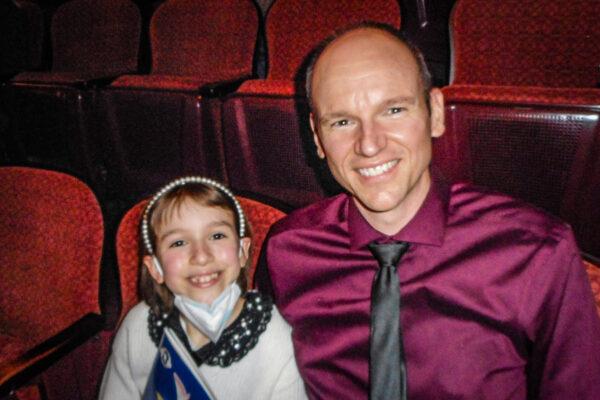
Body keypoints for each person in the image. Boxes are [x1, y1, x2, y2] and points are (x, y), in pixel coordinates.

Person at [256, 24, 600, 399]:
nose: (369, 145)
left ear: (435, 112)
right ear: (317, 138)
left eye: (393, 110)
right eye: (342, 122)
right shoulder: (287, 251)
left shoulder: (535, 252)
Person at [100, 177, 307, 399]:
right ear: (155, 268)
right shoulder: (137, 325)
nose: (201, 256)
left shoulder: (277, 340)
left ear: (242, 251)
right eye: (178, 242)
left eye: (217, 236)